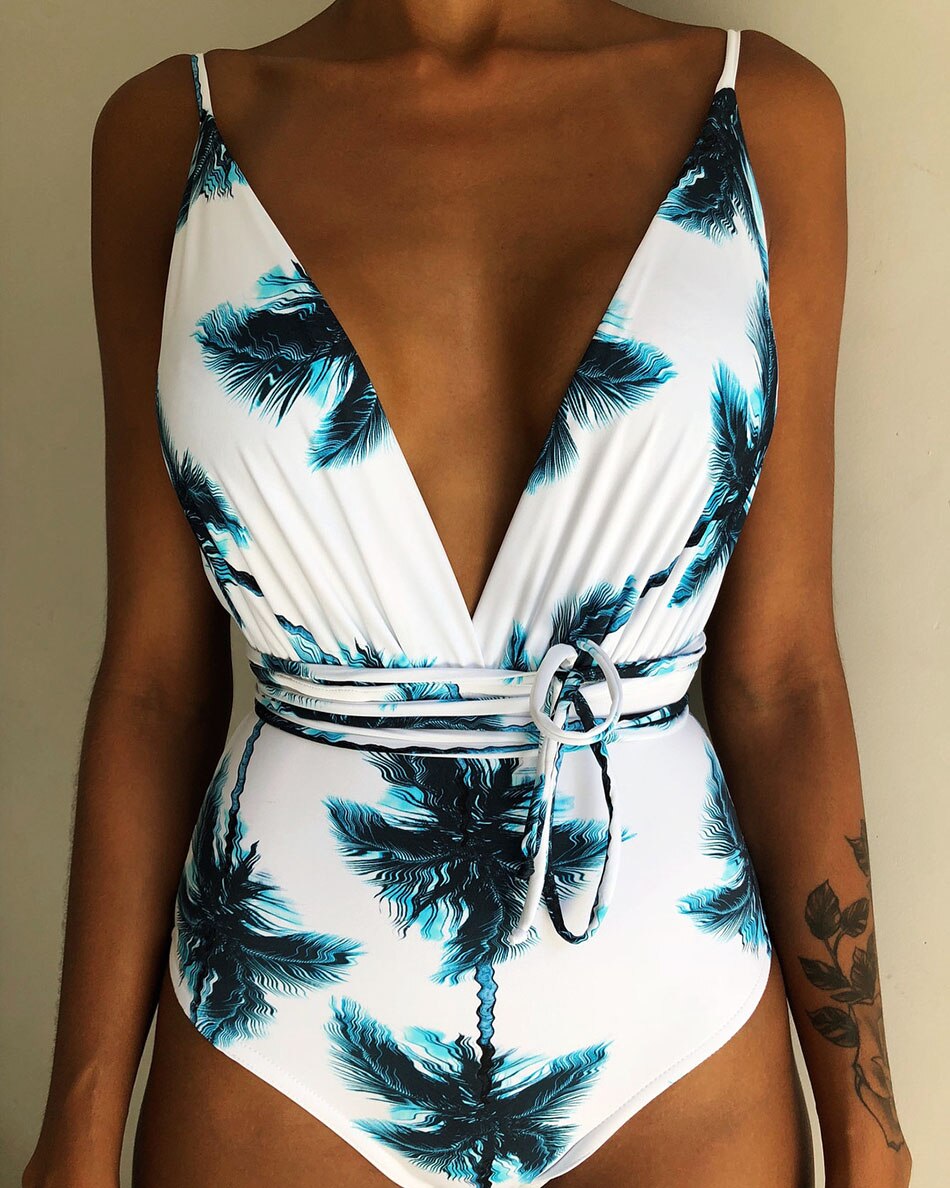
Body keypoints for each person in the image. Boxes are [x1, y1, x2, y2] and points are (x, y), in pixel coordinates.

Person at [25, 3, 912, 1187]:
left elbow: (782, 680)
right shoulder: (170, 134)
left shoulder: (765, 115)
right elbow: (153, 689)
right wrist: (79, 1125)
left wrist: (868, 1130)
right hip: (276, 1037)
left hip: (676, 1052)